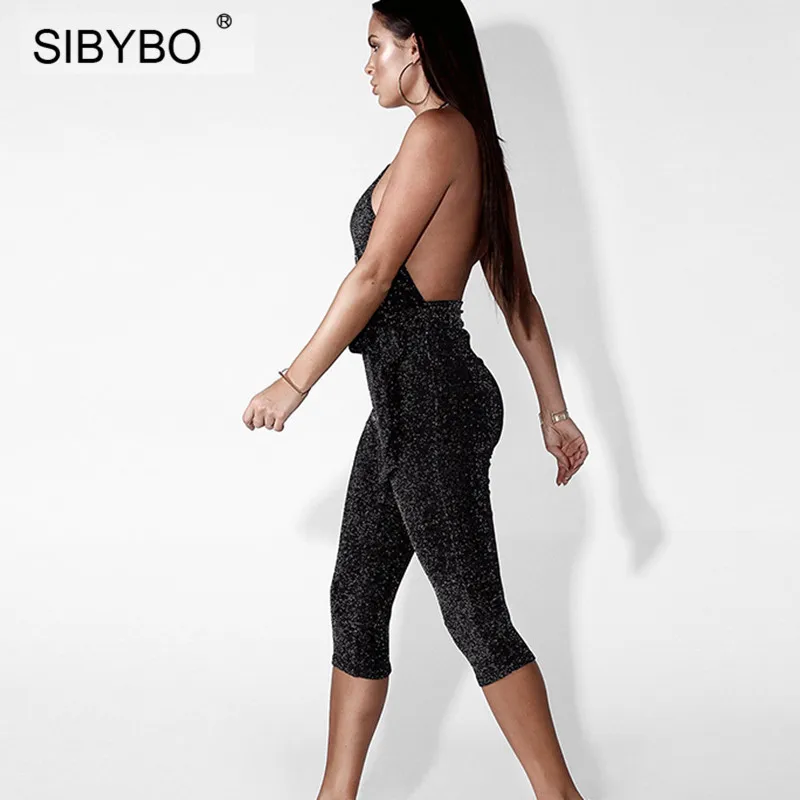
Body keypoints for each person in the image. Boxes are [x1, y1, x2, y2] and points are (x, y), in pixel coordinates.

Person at [242, 2, 589, 799]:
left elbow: (373, 276)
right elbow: (516, 291)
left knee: (474, 616)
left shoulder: (437, 135)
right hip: (408, 402)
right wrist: (552, 410)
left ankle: (562, 797)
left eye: (376, 46)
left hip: (433, 398)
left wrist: (293, 382)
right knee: (356, 597)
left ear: (416, 48)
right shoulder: (460, 141)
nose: (367, 65)